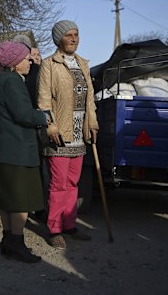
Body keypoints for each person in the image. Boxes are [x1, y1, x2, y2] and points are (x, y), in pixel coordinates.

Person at [37, 20, 99, 249]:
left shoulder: (83, 64)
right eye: (69, 35)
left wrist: (92, 123)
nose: (73, 39)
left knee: (74, 182)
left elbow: (90, 99)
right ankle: (54, 228)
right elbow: (43, 100)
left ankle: (70, 224)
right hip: (60, 134)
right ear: (59, 39)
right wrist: (50, 126)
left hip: (79, 133)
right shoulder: (49, 65)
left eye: (76, 34)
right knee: (58, 183)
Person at [0, 41, 49, 263]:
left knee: (6, 199)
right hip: (16, 150)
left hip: (2, 149)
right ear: (14, 62)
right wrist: (44, 116)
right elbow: (23, 115)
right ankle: (17, 242)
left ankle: (7, 241)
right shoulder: (13, 81)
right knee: (20, 200)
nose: (30, 62)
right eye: (25, 58)